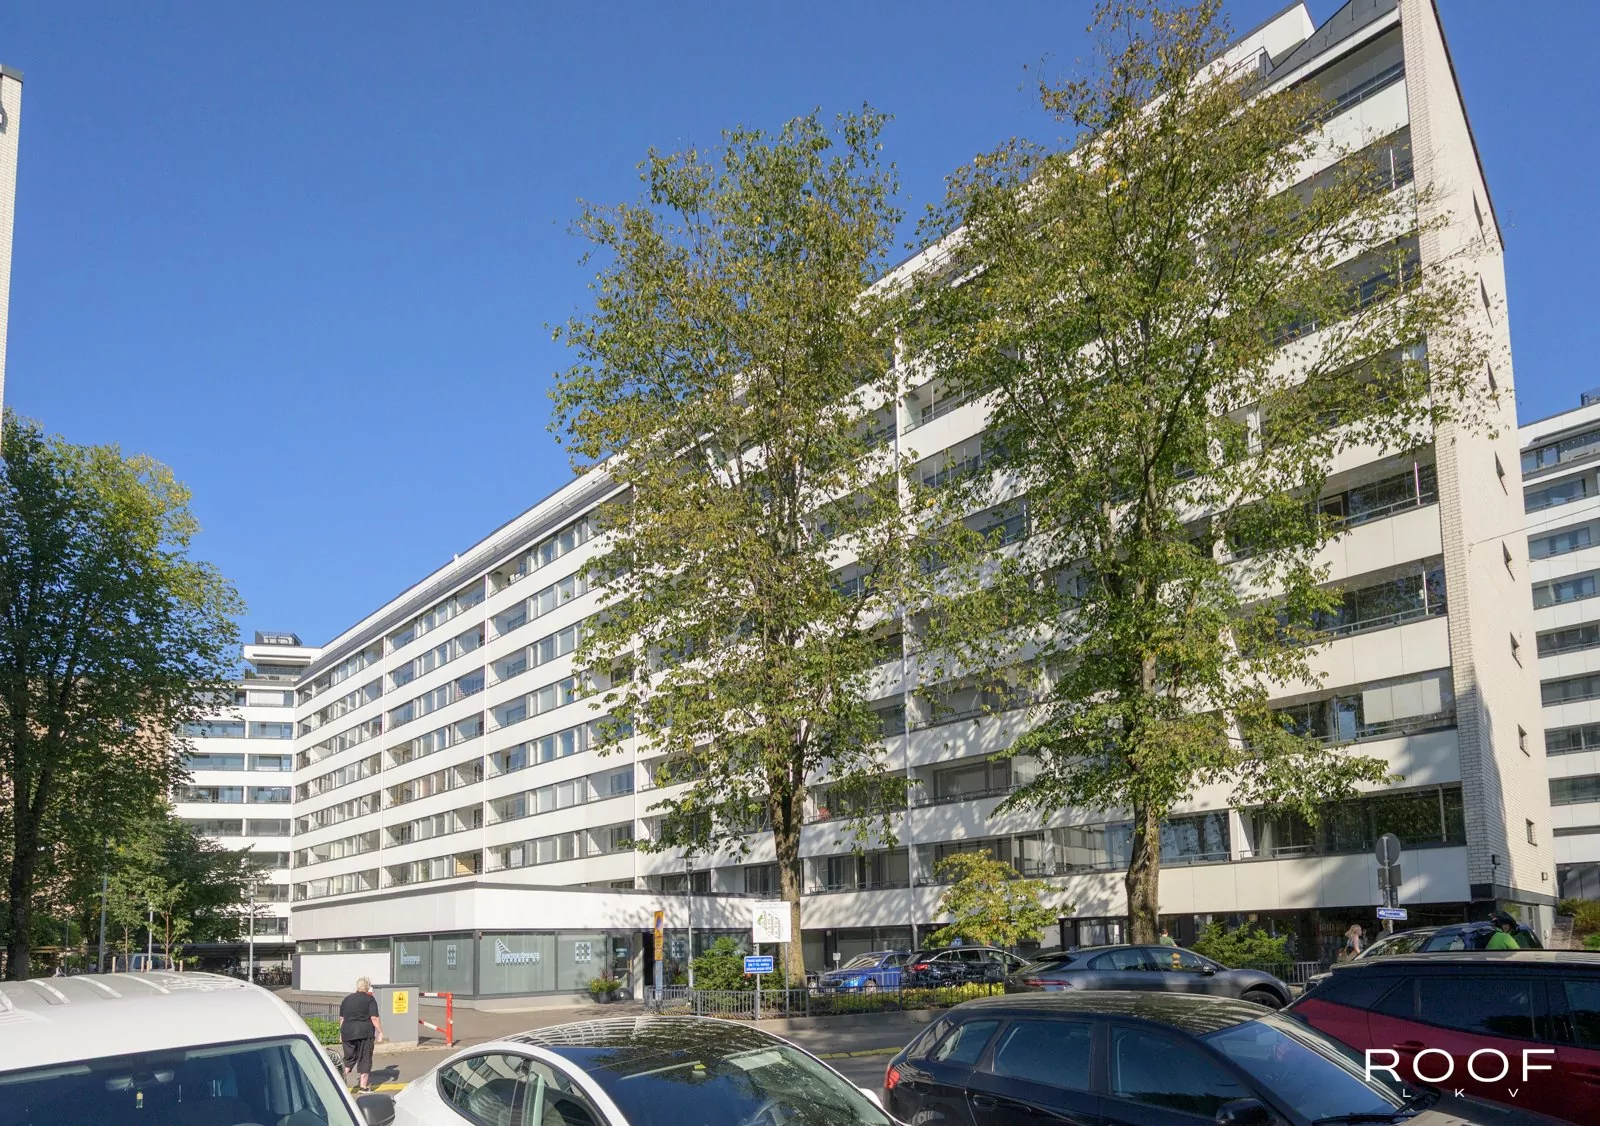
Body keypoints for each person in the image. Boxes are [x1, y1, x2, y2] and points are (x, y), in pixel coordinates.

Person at [338, 976, 384, 1093]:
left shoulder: (347, 999)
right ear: (367, 987)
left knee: (349, 1059)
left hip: (347, 1032)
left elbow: (342, 1018)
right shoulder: (370, 999)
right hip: (365, 1033)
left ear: (357, 986)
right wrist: (380, 1032)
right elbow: (374, 1018)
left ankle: (338, 1082)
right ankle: (363, 1087)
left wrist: (341, 1034)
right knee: (365, 1058)